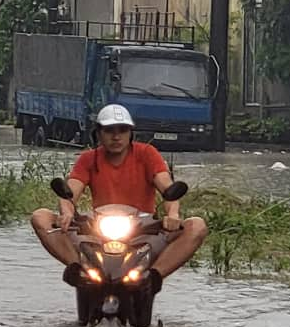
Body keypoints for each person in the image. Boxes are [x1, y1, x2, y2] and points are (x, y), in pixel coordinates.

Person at [29, 104, 209, 288]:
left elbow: (167, 188)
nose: (116, 136)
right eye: (109, 130)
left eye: (122, 130)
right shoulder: (88, 159)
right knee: (40, 216)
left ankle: (154, 277)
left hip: (144, 230)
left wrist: (172, 216)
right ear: (99, 133)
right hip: (98, 231)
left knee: (197, 226)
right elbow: (70, 193)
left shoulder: (147, 154)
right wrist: (66, 213)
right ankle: (76, 268)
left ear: (130, 133)